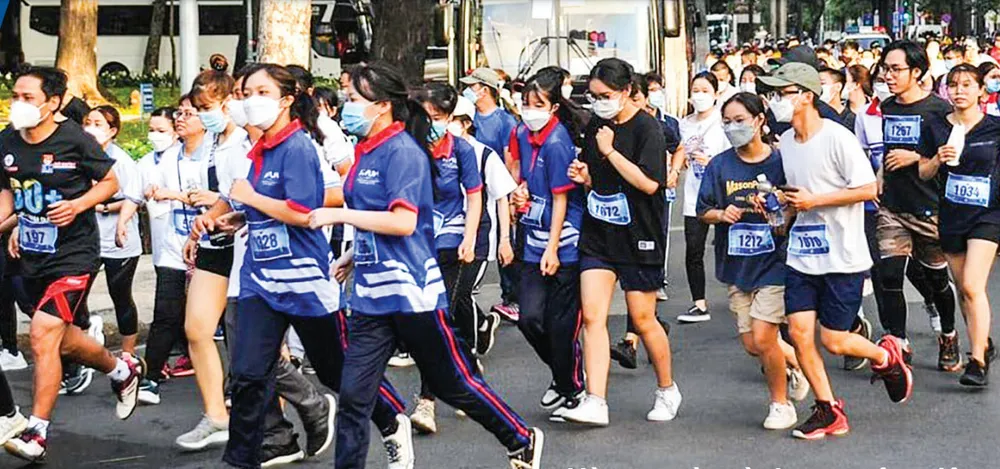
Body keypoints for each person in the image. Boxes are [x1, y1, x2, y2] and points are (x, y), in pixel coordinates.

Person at [308, 61, 543, 469]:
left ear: (382, 105)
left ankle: (519, 438)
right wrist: (352, 254)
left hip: (413, 294)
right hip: (370, 297)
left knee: (453, 384)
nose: (346, 106)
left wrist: (338, 215)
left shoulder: (404, 153)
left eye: (354, 99)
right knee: (353, 396)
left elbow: (404, 222)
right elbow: (373, 214)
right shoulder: (365, 149)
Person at [758, 63, 912, 440]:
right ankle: (828, 409)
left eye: (782, 93)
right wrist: (782, 208)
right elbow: (798, 194)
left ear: (806, 96)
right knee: (799, 333)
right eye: (772, 94)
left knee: (834, 340)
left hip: (842, 255)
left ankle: (885, 356)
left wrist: (816, 201)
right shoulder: (786, 143)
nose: (775, 101)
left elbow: (868, 190)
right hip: (802, 254)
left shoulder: (837, 137)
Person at [1, 66, 143, 462]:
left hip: (74, 255)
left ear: (52, 103)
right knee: (61, 340)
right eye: (15, 96)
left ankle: (37, 431)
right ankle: (121, 370)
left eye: (28, 98)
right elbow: (7, 194)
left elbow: (111, 182)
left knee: (42, 334)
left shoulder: (74, 139)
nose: (18, 104)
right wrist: (10, 223)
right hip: (32, 255)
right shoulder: (7, 141)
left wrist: (78, 204)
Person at [560, 57, 680, 426]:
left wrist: (611, 152)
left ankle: (667, 389)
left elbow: (650, 184)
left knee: (643, 320)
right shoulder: (597, 126)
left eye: (606, 95)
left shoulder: (648, 129)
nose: (599, 103)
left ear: (627, 91)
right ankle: (596, 400)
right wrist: (584, 176)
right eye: (594, 97)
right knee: (592, 317)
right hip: (599, 235)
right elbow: (598, 178)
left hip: (639, 235)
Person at [697, 92, 809, 430]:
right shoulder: (719, 165)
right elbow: (703, 210)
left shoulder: (781, 161)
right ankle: (797, 364)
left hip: (775, 262)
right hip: (737, 265)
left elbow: (799, 204)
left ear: (759, 120)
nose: (733, 128)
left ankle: (780, 404)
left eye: (740, 121)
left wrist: (780, 206)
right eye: (727, 122)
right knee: (752, 345)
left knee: (763, 337)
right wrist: (722, 213)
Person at [409, 82, 500, 434]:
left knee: (436, 315)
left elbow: (474, 197)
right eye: (426, 116)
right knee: (424, 319)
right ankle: (468, 369)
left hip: (451, 237)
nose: (431, 123)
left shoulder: (462, 150)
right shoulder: (408, 147)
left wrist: (469, 238)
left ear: (449, 117)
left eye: (438, 116)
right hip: (415, 239)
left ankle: (426, 401)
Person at [174, 61, 253, 451]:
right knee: (197, 328)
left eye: (207, 107)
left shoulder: (247, 140)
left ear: (228, 102)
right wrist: (202, 225)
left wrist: (220, 210)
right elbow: (223, 195)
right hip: (216, 244)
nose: (202, 114)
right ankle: (216, 415)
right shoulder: (211, 142)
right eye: (198, 107)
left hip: (247, 246)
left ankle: (278, 414)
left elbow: (243, 194)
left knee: (255, 342)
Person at [505, 69, 586, 418]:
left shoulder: (557, 142)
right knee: (529, 318)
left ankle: (570, 385)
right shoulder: (523, 133)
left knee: (561, 325)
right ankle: (564, 376)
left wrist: (553, 249)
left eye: (538, 104)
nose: (530, 110)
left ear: (553, 107)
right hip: (533, 236)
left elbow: (562, 199)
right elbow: (522, 176)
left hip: (563, 241)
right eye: (526, 103)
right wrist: (519, 193)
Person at [878, 40, 959, 370]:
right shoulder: (887, 106)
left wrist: (916, 158)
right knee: (889, 275)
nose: (888, 75)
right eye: (885, 69)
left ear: (917, 71)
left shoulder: (939, 110)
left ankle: (949, 334)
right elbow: (888, 149)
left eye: (896, 69)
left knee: (937, 281)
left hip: (930, 208)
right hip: (892, 207)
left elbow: (952, 158)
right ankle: (898, 342)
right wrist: (880, 176)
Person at [917, 63, 999, 386]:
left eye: (967, 84)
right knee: (964, 289)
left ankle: (977, 362)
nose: (959, 90)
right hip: (952, 215)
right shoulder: (935, 126)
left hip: (988, 215)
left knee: (972, 286)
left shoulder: (994, 128)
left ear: (981, 91)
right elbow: (923, 172)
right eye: (953, 85)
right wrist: (938, 158)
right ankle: (983, 342)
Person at [609, 73, 678, 368]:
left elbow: (678, 147)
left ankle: (634, 339)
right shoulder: (611, 126)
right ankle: (638, 335)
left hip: (648, 213)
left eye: (637, 98)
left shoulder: (655, 126)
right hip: (617, 218)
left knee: (639, 290)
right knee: (634, 294)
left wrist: (673, 172)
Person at [135, 106, 192, 404]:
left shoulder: (216, 156)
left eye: (190, 113)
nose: (182, 119)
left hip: (211, 248)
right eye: (179, 114)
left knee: (213, 322)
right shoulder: (165, 158)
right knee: (165, 314)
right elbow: (138, 194)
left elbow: (221, 198)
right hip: (172, 246)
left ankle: (235, 384)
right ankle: (151, 377)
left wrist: (175, 195)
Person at [461, 68, 522, 321]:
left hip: (494, 186)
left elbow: (510, 160)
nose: (468, 90)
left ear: (484, 90)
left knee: (502, 243)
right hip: (470, 187)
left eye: (472, 86)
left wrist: (510, 197)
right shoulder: (471, 116)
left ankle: (512, 298)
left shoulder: (504, 121)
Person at [83, 106, 143, 357]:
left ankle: (128, 354)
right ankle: (86, 338)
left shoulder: (121, 160)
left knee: (120, 295)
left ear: (113, 130)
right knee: (77, 294)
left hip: (119, 239)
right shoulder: (81, 156)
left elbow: (135, 196)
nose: (90, 128)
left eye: (98, 124)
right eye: (88, 122)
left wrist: (104, 206)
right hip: (89, 238)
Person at [674, 72, 731, 323]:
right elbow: (679, 150)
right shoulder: (684, 124)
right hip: (694, 195)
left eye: (705, 90)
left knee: (728, 247)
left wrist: (712, 163)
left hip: (722, 195)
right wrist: (677, 167)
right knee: (693, 251)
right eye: (695, 90)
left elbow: (734, 156)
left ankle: (740, 294)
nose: (699, 95)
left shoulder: (724, 121)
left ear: (716, 94)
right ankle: (699, 303)